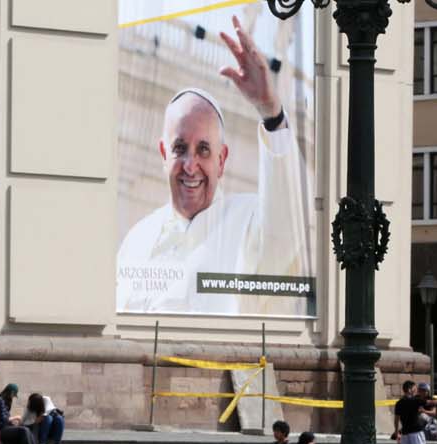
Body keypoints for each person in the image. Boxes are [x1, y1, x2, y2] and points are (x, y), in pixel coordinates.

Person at [116, 15, 310, 318]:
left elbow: (288, 220)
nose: (190, 165)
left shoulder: (249, 222)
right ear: (163, 153)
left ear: (221, 161)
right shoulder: (137, 239)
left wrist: (271, 113)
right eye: (180, 148)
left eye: (203, 150)